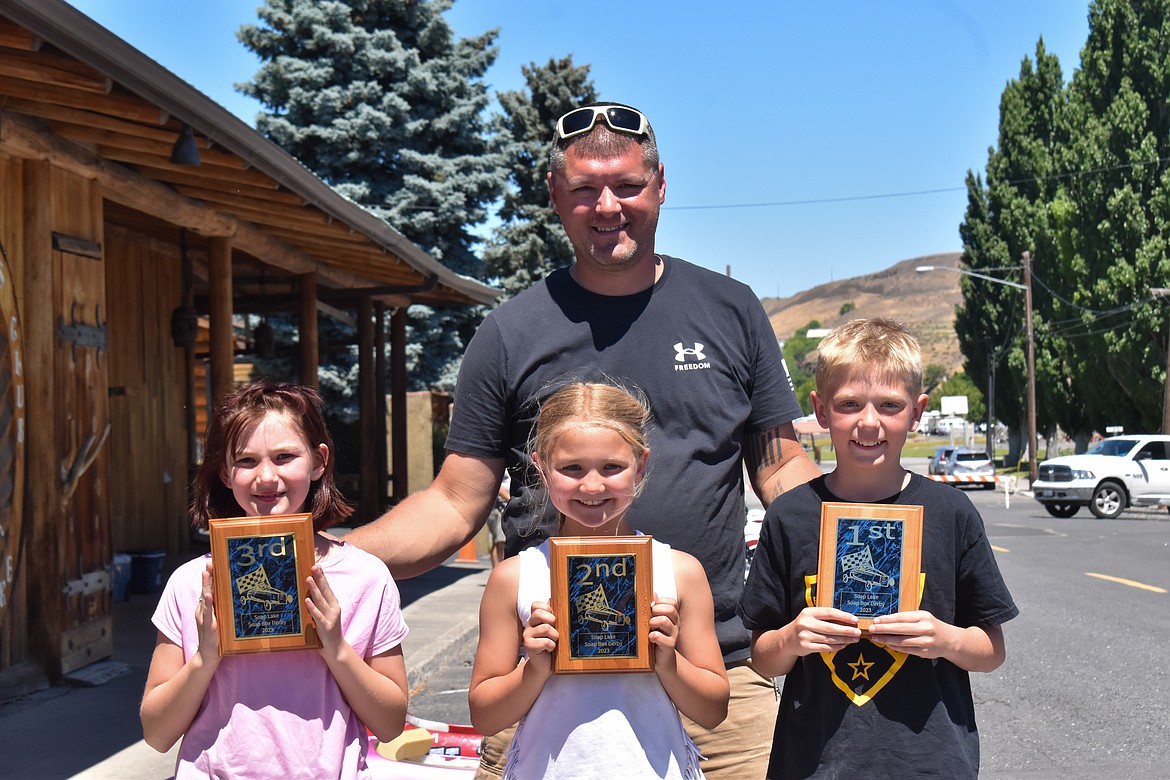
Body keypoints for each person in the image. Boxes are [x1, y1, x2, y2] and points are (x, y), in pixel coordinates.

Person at [345, 101, 820, 777]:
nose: (607, 207)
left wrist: (863, 530)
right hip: (545, 677)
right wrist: (332, 556)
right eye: (585, 189)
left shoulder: (731, 309)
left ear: (660, 185)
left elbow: (779, 468)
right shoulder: (510, 332)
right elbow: (455, 503)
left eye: (627, 186)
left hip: (707, 664)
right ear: (555, 195)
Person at [737, 319, 1019, 779]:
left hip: (930, 762)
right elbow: (763, 655)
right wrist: (793, 637)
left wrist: (944, 639)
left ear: (918, 411)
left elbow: (991, 650)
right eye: (849, 404)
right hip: (815, 762)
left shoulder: (951, 513)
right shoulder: (790, 515)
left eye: (890, 405)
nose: (869, 422)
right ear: (822, 411)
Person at [140, 380, 409, 778]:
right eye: (246, 461)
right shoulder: (193, 582)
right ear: (225, 473)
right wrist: (205, 656)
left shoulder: (365, 577)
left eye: (285, 456)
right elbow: (157, 734)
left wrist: (334, 646)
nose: (266, 477)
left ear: (318, 462)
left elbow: (389, 725)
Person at [468, 381, 729, 778]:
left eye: (612, 467)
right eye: (572, 468)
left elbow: (713, 710)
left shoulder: (679, 571)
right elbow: (485, 716)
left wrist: (668, 661)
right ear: (541, 468)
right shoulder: (515, 576)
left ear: (640, 465)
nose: (592, 485)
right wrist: (533, 667)